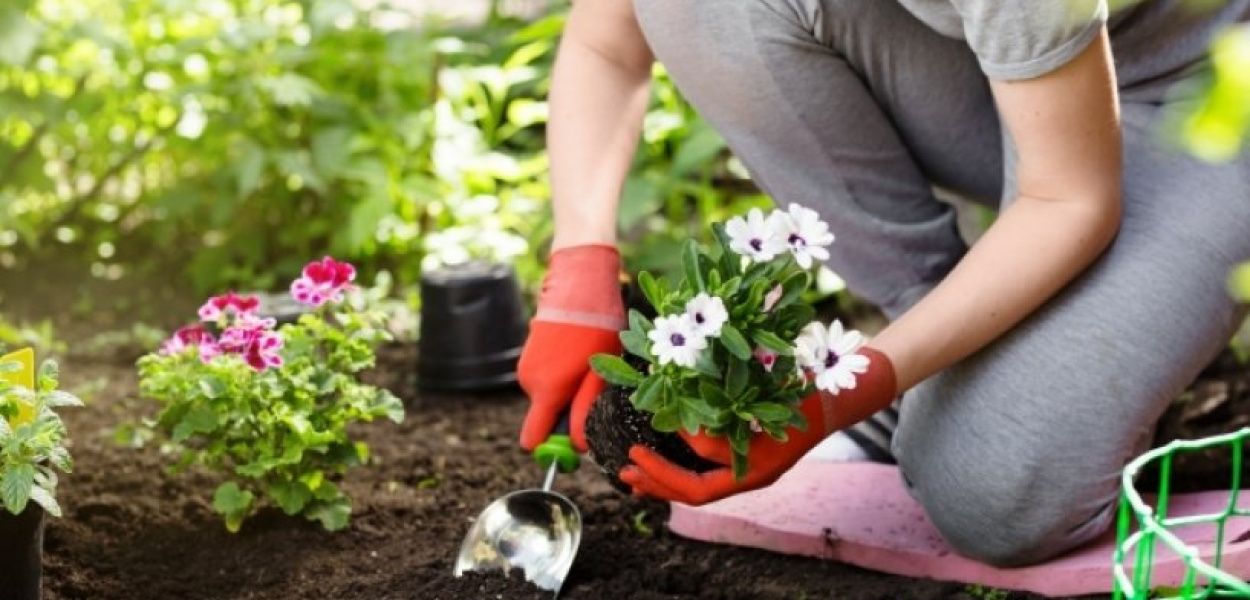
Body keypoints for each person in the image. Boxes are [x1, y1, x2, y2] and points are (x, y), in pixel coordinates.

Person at [516, 0, 1250, 567]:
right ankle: (942, 363)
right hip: (1021, 84)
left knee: (990, 497)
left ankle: (972, 392)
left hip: (1205, 94)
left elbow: (1070, 199)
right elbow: (608, 41)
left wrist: (840, 396)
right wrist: (579, 268)